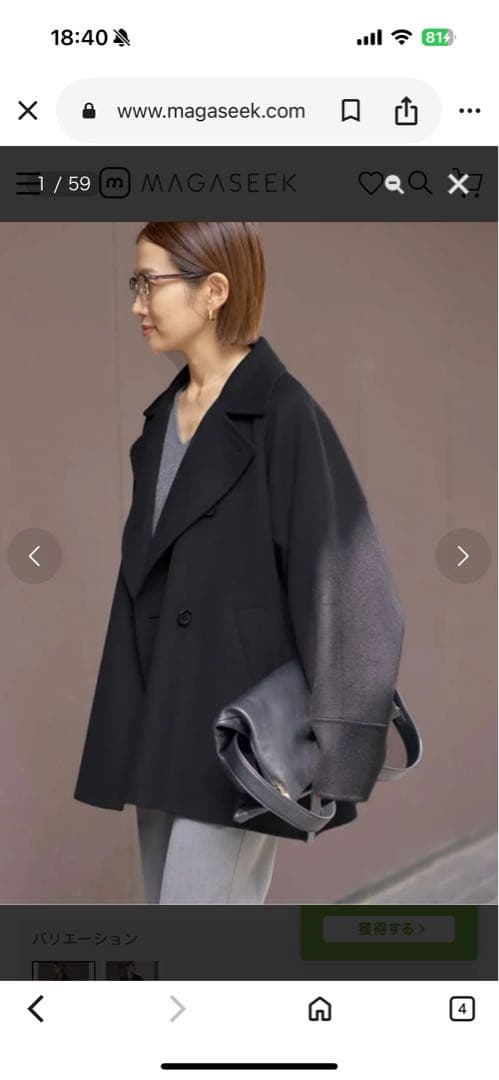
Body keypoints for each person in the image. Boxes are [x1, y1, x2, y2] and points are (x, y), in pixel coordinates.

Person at [74, 221, 404, 906]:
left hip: (237, 735)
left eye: (150, 283)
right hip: (160, 718)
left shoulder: (283, 414)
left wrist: (337, 746)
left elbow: (349, 583)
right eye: (135, 283)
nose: (136, 304)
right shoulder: (162, 421)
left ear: (214, 290)